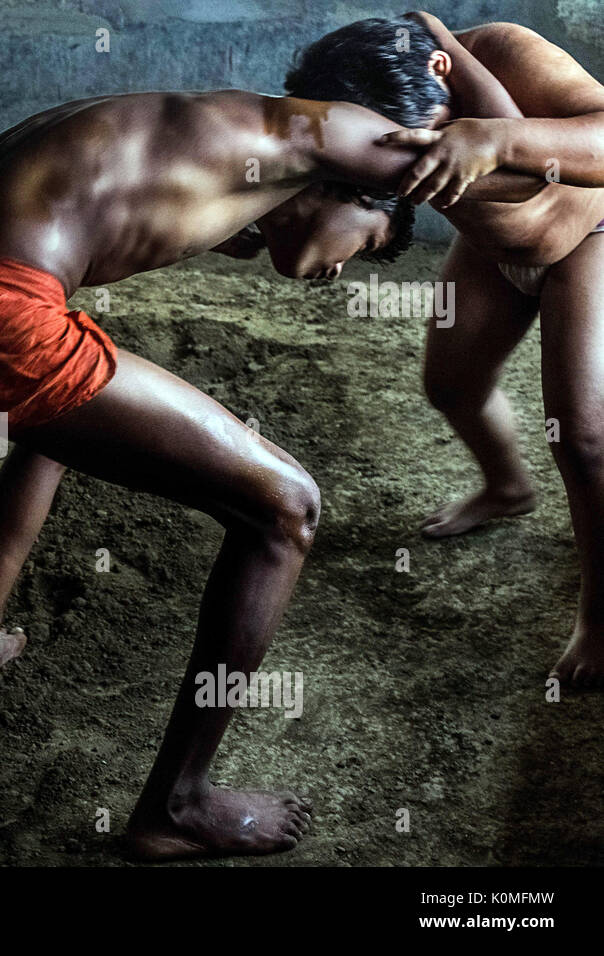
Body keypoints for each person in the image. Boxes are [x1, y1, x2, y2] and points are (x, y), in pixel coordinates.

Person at [0, 83, 543, 859]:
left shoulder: (216, 140)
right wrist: (477, 104)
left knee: (59, 421)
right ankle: (178, 805)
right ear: (351, 187)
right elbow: (518, 175)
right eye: (371, 243)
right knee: (287, 507)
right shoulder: (330, 131)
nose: (346, 272)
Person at [283, 12, 604, 687]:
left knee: (583, 437)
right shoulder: (362, 118)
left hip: (592, 234)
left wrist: (493, 137)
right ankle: (507, 488)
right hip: (497, 246)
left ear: (438, 71)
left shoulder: (508, 52)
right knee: (452, 384)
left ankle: (600, 616)